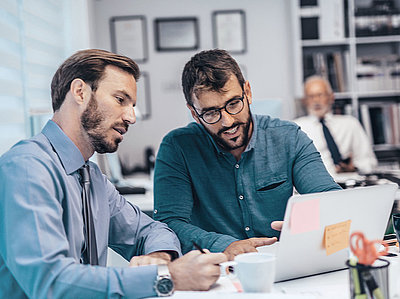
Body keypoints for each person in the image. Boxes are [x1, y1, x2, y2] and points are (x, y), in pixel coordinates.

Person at [0, 49, 227, 298]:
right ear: (80, 92)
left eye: (132, 105)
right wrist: (167, 277)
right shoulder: (27, 169)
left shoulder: (92, 178)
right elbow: (50, 282)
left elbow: (151, 231)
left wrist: (158, 257)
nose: (131, 117)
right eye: (121, 100)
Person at [153, 49, 341, 259]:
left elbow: (330, 200)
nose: (228, 122)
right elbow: (169, 224)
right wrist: (224, 244)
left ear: (248, 92)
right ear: (194, 113)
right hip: (216, 269)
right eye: (211, 112)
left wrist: (307, 223)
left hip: (282, 263)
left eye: (234, 104)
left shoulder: (289, 137)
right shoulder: (177, 147)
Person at [294, 75, 377, 177]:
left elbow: (370, 162)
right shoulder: (296, 128)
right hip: (317, 187)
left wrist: (354, 167)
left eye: (320, 95)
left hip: (349, 183)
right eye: (310, 96)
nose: (316, 100)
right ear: (304, 101)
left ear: (331, 97)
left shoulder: (350, 124)